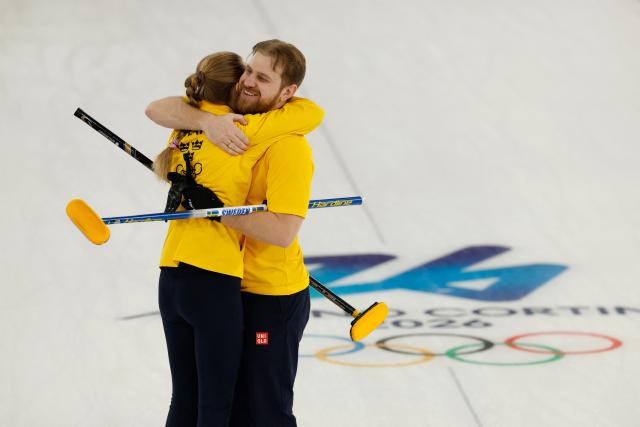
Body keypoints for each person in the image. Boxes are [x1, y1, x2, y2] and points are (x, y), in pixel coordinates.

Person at [146, 39, 317, 427]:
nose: (248, 82)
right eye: (247, 71)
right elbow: (162, 108)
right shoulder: (221, 123)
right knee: (232, 410)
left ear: (288, 93)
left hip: (271, 296)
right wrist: (207, 121)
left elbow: (283, 231)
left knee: (264, 411)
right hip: (234, 286)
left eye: (262, 77)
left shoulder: (287, 146)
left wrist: (212, 210)